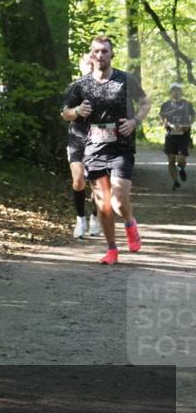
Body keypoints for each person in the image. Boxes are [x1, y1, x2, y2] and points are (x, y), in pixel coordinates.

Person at [62, 35, 151, 265]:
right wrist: (77, 111)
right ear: (91, 56)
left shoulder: (125, 79)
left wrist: (134, 122)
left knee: (119, 200)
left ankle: (130, 223)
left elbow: (145, 103)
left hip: (121, 146)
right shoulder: (81, 85)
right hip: (94, 149)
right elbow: (65, 113)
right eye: (96, 51)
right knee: (102, 203)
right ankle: (112, 249)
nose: (100, 55)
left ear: (112, 54)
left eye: (104, 51)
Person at [62, 54, 100, 238]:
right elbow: (64, 113)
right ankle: (80, 219)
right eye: (87, 63)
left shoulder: (106, 87)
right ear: (81, 66)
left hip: (101, 139)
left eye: (93, 63)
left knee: (97, 183)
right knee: (78, 180)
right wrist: (77, 111)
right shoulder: (74, 87)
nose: (90, 66)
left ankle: (95, 217)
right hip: (78, 137)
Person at [159, 82, 194, 190]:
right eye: (174, 90)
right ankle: (175, 181)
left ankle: (181, 168)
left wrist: (189, 124)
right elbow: (161, 116)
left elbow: (193, 115)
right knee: (171, 159)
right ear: (170, 92)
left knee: (181, 159)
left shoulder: (187, 104)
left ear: (181, 91)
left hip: (183, 135)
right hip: (170, 135)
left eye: (178, 90)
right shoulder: (166, 105)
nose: (176, 92)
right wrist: (163, 123)